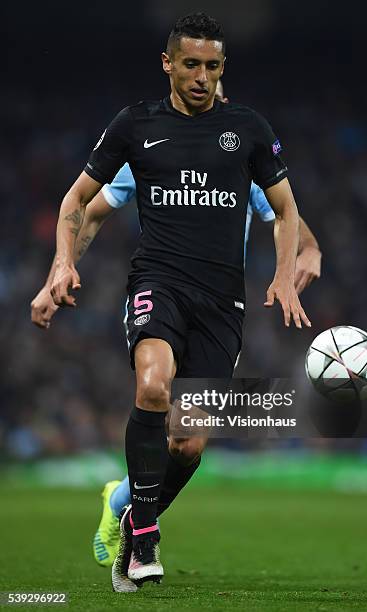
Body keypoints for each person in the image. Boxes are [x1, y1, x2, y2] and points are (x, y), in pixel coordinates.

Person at [48, 12, 312, 588]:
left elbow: (287, 210)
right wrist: (61, 266)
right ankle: (144, 541)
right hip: (157, 283)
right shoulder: (136, 125)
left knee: (189, 443)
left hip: (222, 304)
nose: (201, 76)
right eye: (190, 64)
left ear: (223, 68)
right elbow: (79, 202)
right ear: (168, 63)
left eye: (212, 66)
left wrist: (286, 270)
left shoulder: (246, 130)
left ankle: (128, 512)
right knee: (151, 385)